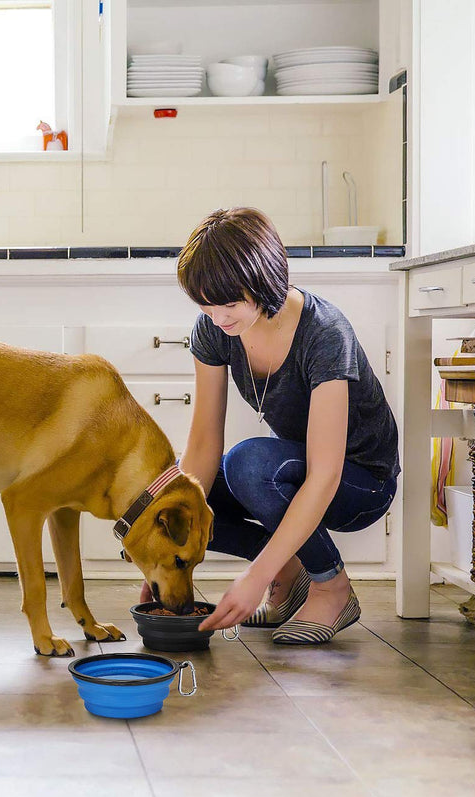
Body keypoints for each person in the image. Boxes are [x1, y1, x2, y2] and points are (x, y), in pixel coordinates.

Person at [141, 207, 399, 644]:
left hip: (360, 484)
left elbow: (326, 473)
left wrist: (253, 578)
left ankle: (331, 586)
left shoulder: (325, 333)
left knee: (248, 463)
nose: (219, 317)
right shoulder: (213, 330)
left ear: (263, 281)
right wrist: (160, 549)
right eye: (205, 304)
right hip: (294, 473)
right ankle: (289, 570)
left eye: (229, 303)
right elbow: (203, 445)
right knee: (184, 499)